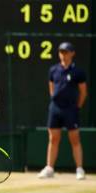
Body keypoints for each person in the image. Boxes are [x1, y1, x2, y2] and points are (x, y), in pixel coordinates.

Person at [38, 42, 88, 180]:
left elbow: (83, 92)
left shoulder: (78, 72)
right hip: (55, 108)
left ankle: (79, 169)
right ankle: (49, 168)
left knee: (75, 139)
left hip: (71, 109)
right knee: (53, 138)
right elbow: (51, 88)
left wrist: (77, 106)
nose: (63, 54)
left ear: (72, 53)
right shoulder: (53, 70)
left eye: (66, 52)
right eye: (61, 52)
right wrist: (55, 101)